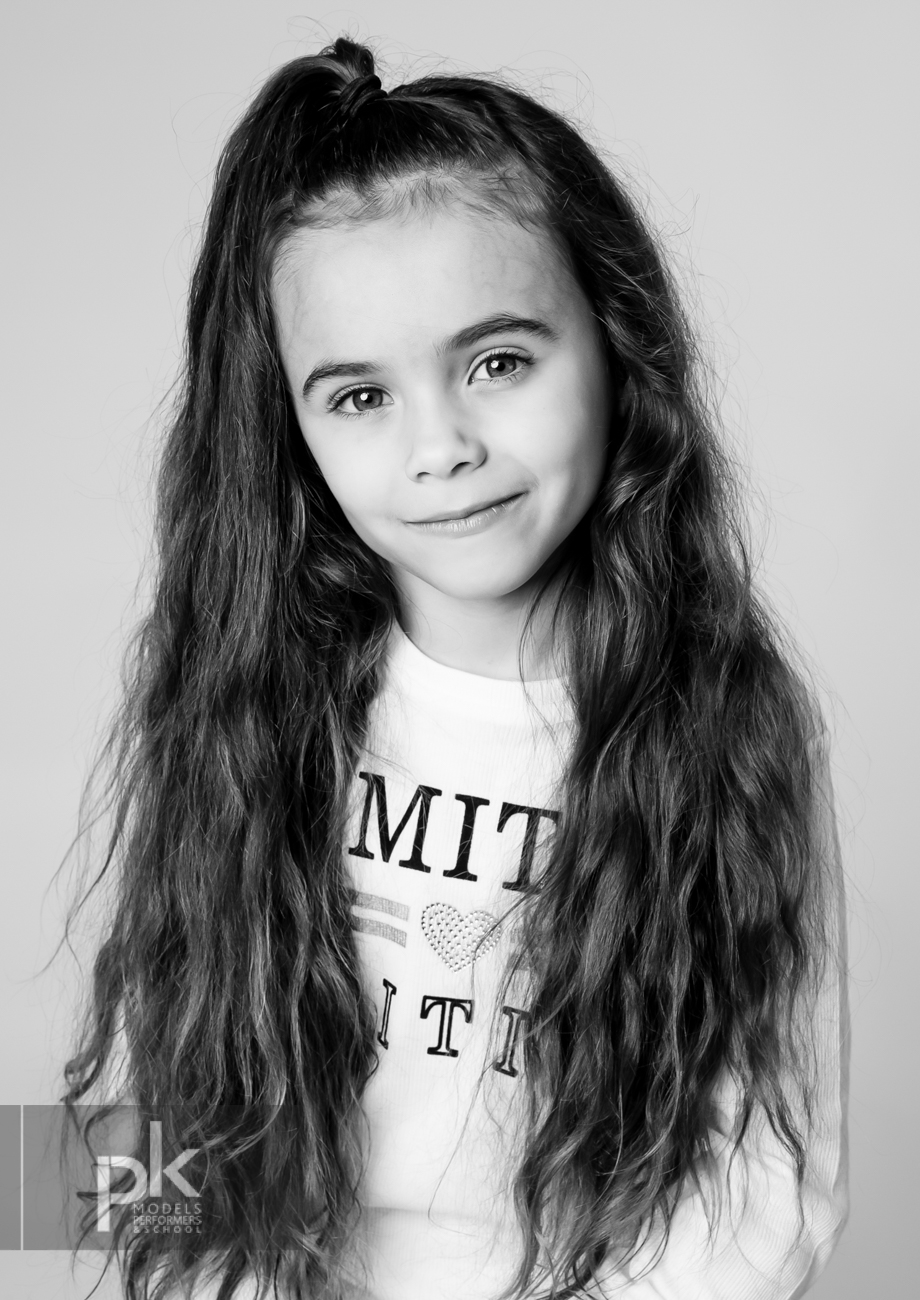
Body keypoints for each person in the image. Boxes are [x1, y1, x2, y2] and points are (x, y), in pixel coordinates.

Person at [64, 36, 848, 1300]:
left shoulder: (732, 719)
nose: (440, 448)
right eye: (358, 397)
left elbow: (770, 1184)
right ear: (291, 430)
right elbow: (123, 1123)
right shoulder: (239, 709)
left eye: (496, 362)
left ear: (615, 343)